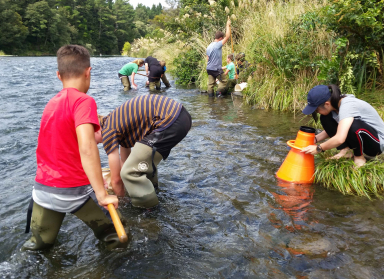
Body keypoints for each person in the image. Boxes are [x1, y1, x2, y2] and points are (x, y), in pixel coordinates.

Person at [23, 45, 126, 251]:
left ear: (58, 75)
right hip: (73, 191)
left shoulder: (51, 103)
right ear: (88, 72)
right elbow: (87, 147)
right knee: (118, 235)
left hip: (42, 191)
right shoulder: (83, 101)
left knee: (37, 248)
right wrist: (102, 194)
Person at [95, 95, 192, 208]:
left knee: (129, 173)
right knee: (138, 167)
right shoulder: (115, 124)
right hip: (181, 116)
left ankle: (149, 212)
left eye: (88, 138)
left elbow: (117, 179)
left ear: (95, 129)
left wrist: (122, 203)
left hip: (170, 121)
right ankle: (154, 194)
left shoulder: (108, 130)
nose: (93, 144)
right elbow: (126, 162)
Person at [301, 84, 384, 167]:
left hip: (377, 144)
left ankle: (359, 157)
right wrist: (315, 139)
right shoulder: (334, 104)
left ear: (327, 104)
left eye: (316, 109)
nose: (317, 112)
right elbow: (338, 128)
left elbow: (340, 138)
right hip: (362, 139)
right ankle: (346, 151)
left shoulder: (347, 106)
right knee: (325, 117)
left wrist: (319, 148)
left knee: (353, 124)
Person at [206, 18, 231, 97]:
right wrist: (227, 25)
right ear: (220, 38)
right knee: (224, 81)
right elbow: (227, 36)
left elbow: (207, 59)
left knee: (211, 84)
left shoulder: (209, 46)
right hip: (216, 68)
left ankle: (210, 99)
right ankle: (218, 94)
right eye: (222, 39)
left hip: (209, 68)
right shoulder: (218, 44)